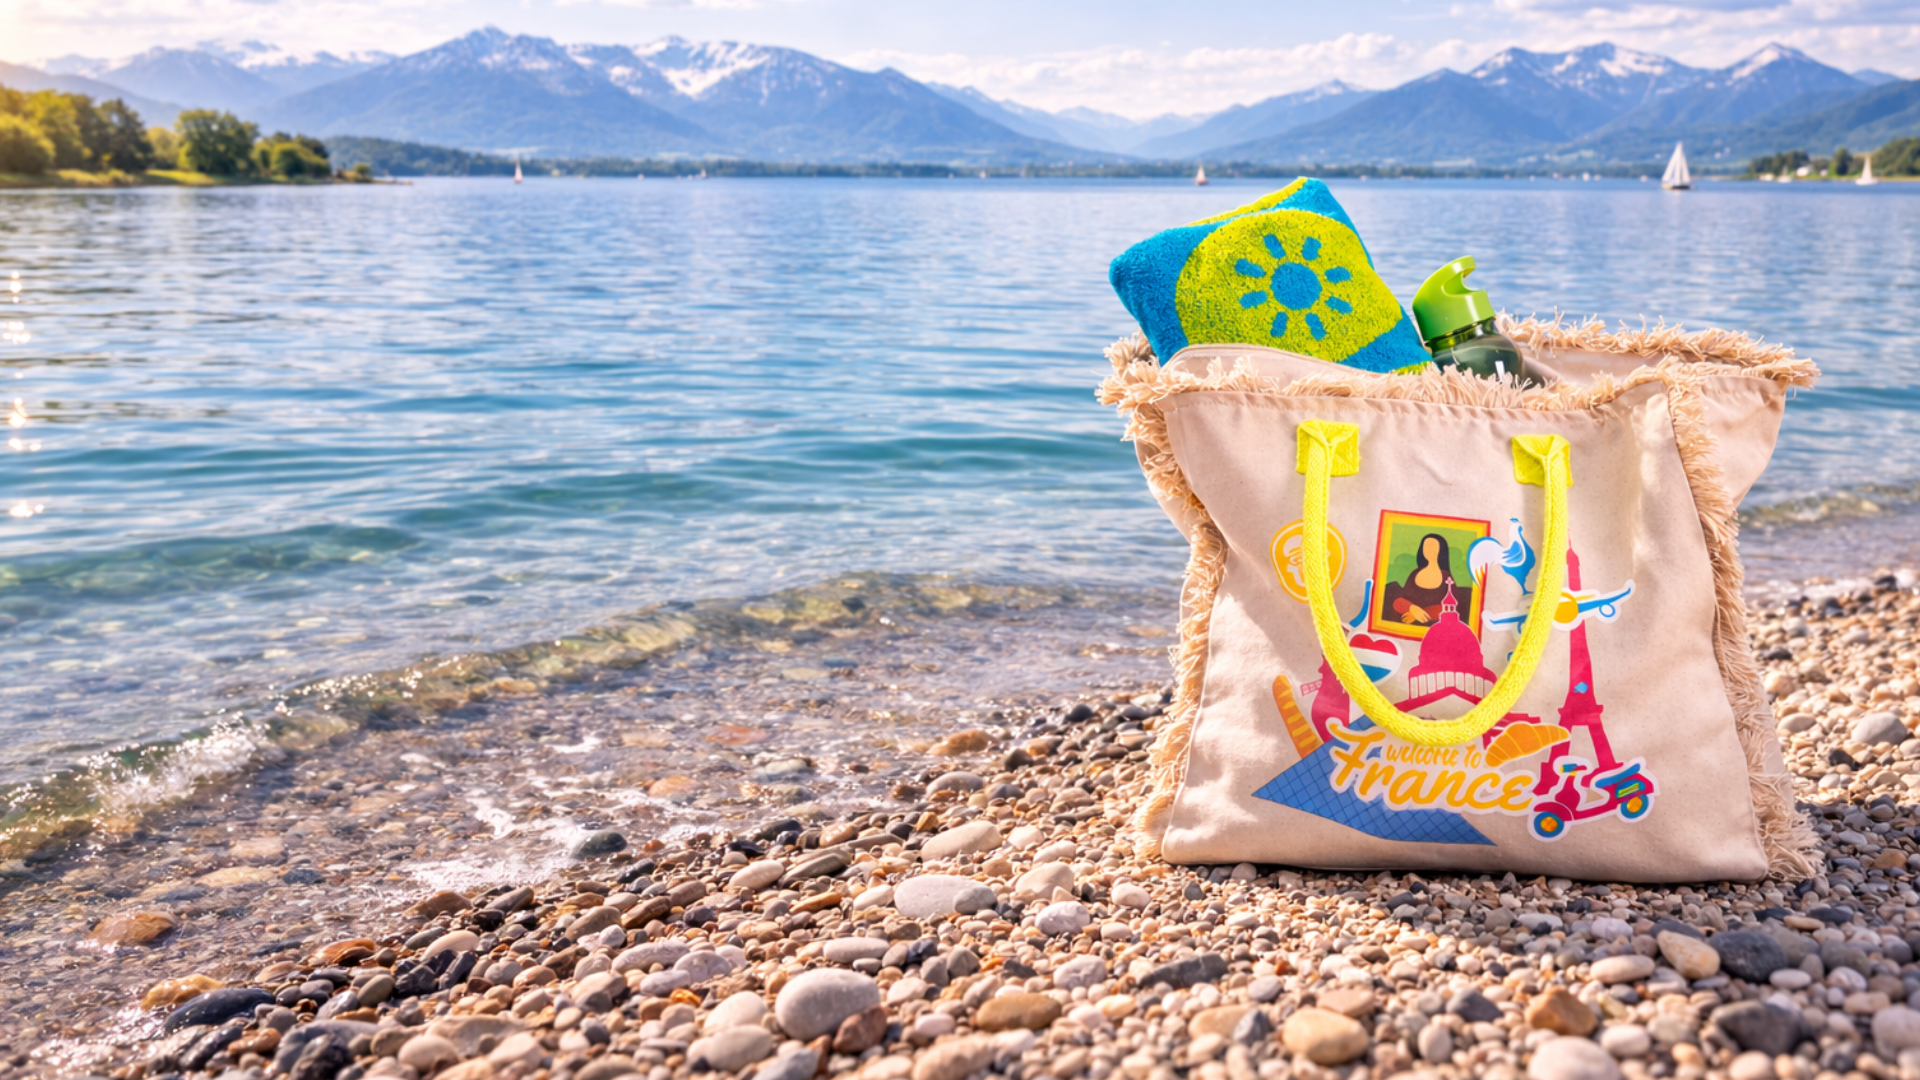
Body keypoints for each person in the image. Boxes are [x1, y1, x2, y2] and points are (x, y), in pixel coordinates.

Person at [1382, 533, 1470, 627]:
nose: (1429, 550)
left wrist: (1419, 614)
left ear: (1441, 550)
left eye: (1433, 546)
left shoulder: (1446, 577)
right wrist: (1412, 608)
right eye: (1426, 546)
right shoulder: (1415, 574)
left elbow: (1451, 607)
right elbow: (1399, 601)